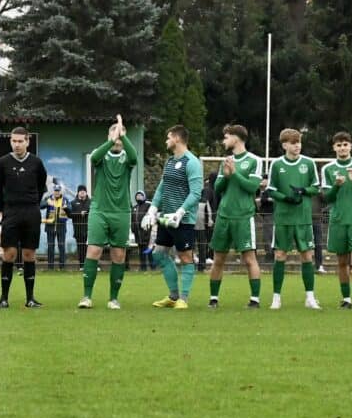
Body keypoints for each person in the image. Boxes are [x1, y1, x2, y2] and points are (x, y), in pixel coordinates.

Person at [79, 115, 138, 310]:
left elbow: (134, 157)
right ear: (108, 136)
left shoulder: (126, 157)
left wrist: (123, 135)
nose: (118, 140)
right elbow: (94, 157)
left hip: (121, 211)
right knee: (94, 250)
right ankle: (87, 296)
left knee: (118, 254)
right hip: (100, 210)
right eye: (115, 136)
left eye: (121, 137)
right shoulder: (101, 154)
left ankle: (113, 298)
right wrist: (112, 139)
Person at [147, 125, 208, 309]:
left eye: (168, 137)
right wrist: (153, 208)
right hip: (167, 218)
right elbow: (162, 186)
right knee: (158, 254)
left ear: (177, 139)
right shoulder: (170, 161)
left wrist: (181, 212)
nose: (166, 141)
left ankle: (184, 298)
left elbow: (196, 193)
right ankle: (173, 296)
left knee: (186, 257)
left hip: (184, 220)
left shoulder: (192, 162)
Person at [203, 124, 262, 309]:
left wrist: (235, 174)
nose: (223, 141)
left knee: (249, 258)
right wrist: (226, 176)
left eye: (226, 137)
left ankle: (255, 299)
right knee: (218, 258)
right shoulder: (226, 161)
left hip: (243, 216)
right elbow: (218, 188)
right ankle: (213, 298)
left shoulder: (254, 160)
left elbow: (253, 187)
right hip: (224, 216)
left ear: (236, 138)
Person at [0, 125, 49, 308]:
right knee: (9, 254)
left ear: (27, 142)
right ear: (10, 141)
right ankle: (4, 298)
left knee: (29, 254)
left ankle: (30, 298)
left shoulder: (36, 163)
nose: (16, 145)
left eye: (20, 141)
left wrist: (33, 202)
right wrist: (5, 207)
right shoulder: (3, 163)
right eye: (14, 141)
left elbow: (41, 187)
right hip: (11, 212)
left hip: (31, 211)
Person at [265, 128, 322, 310]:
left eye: (298, 142)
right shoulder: (276, 164)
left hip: (304, 218)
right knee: (280, 255)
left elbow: (316, 187)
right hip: (283, 218)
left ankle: (310, 297)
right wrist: (285, 197)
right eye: (293, 143)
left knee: (307, 255)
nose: (297, 146)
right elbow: (271, 189)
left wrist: (303, 191)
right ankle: (276, 297)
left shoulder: (309, 163)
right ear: (284, 145)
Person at [320, 132, 352, 308]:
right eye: (339, 145)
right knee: (342, 261)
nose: (342, 148)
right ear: (334, 147)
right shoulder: (328, 169)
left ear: (351, 146)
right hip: (338, 221)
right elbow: (326, 198)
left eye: (345, 144)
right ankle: (346, 298)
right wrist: (336, 185)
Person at [43, 180, 70, 270]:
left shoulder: (65, 200)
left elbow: (70, 210)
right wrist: (46, 201)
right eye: (55, 191)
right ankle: (50, 267)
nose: (57, 192)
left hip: (61, 226)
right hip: (50, 227)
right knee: (51, 247)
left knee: (61, 246)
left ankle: (62, 267)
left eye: (58, 191)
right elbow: (40, 205)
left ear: (60, 191)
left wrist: (66, 208)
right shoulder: (49, 198)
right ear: (53, 191)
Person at [68, 185, 91, 255]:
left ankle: (89, 265)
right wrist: (79, 214)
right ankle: (81, 265)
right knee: (80, 249)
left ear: (86, 192)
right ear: (78, 192)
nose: (82, 192)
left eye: (84, 191)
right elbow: (70, 215)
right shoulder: (73, 203)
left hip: (90, 230)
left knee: (90, 249)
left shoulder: (91, 202)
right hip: (78, 230)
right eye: (80, 191)